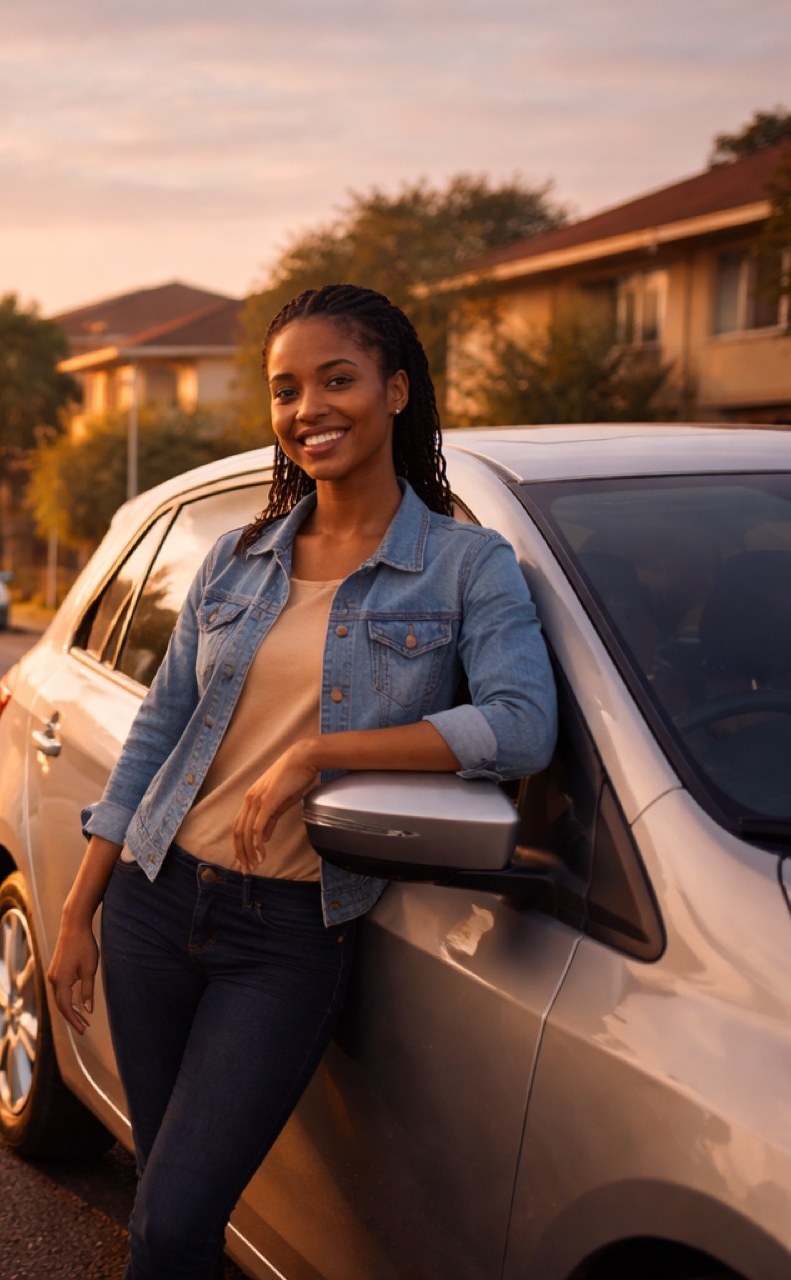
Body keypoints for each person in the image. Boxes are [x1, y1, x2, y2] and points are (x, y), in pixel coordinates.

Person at [45, 284, 556, 1279]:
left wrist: (325, 752)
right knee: (163, 1193)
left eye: (337, 379)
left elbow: (522, 723)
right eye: (286, 390)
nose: (307, 408)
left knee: (171, 1223)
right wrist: (79, 906)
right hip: (154, 902)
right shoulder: (238, 560)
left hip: (285, 932)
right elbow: (158, 731)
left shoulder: (465, 568)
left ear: (396, 389)